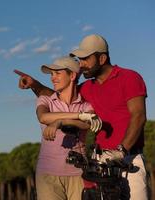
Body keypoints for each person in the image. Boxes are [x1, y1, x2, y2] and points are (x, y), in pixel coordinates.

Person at [14, 34, 148, 200]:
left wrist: (121, 150)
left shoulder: (129, 77)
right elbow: (57, 95)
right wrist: (34, 84)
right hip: (99, 163)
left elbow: (139, 116)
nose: (81, 64)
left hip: (129, 159)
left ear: (102, 58)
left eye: (85, 59)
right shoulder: (87, 88)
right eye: (79, 59)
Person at [29, 56, 101, 200]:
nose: (52, 78)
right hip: (48, 175)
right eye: (51, 74)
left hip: (79, 175)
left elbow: (87, 124)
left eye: (57, 73)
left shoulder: (86, 105)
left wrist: (62, 121)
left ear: (72, 75)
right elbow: (43, 117)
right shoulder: (45, 100)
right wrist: (79, 115)